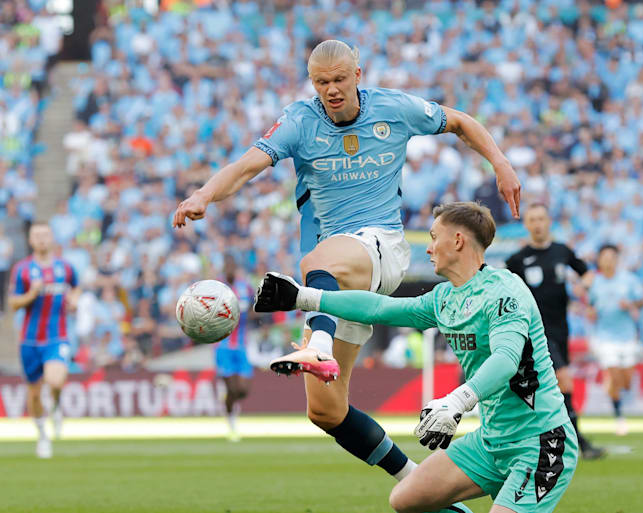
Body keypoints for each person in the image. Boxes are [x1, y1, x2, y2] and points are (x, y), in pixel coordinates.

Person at [173, 40, 520, 512]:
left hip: (380, 248)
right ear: (312, 82)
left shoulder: (393, 108)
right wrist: (204, 195)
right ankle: (428, 492)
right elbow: (246, 166)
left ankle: (317, 344)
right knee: (326, 411)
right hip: (340, 286)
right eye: (321, 82)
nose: (332, 90)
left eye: (340, 79)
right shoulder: (299, 120)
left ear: (358, 73)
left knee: (315, 265)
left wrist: (498, 161)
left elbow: (459, 121)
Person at [257, 202, 577, 513]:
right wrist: (305, 297)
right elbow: (379, 308)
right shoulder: (444, 298)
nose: (428, 248)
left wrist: (456, 402)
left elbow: (507, 360)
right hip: (491, 442)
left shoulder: (505, 291)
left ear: (458, 240)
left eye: (434, 237)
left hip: (540, 442)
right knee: (406, 499)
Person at [505, 203, 604, 459]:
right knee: (564, 379)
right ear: (526, 225)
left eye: (541, 219)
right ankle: (578, 442)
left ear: (549, 222)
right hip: (534, 331)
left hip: (561, 329)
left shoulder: (562, 251)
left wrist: (584, 288)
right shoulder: (517, 260)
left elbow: (588, 273)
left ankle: (554, 440)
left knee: (551, 388)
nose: (537, 224)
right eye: (532, 219)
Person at [9, 223, 80, 458]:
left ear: (52, 238)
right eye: (36, 235)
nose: (41, 239)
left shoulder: (65, 267)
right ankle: (42, 436)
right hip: (29, 340)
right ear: (30, 240)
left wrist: (74, 300)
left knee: (56, 380)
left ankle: (57, 406)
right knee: (35, 393)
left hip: (56, 336)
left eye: (45, 235)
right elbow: (13, 303)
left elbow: (76, 287)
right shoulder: (22, 270)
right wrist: (31, 294)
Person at [586, 244, 643, 436]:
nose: (608, 260)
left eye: (612, 257)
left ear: (617, 259)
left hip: (627, 336)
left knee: (627, 381)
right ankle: (619, 417)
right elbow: (590, 306)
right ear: (600, 260)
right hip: (605, 337)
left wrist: (631, 304)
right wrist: (591, 312)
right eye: (605, 257)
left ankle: (614, 392)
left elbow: (642, 301)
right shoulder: (595, 283)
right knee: (613, 373)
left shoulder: (629, 280)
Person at [215, 257, 255, 442]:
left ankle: (228, 402)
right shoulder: (217, 289)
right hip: (223, 347)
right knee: (232, 388)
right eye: (227, 266)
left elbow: (256, 307)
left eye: (232, 266)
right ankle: (231, 424)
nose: (230, 269)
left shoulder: (244, 287)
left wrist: (249, 311)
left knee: (243, 391)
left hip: (242, 346)